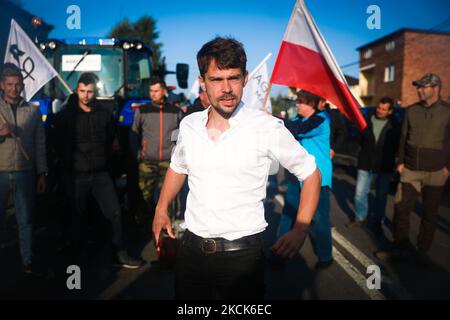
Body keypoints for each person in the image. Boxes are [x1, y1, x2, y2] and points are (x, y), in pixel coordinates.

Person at [152, 37, 321, 299]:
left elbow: (310, 173)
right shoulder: (189, 125)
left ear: (245, 78)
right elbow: (178, 167)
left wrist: (300, 229)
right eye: (217, 80)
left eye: (233, 78)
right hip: (191, 253)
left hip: (242, 258)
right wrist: (161, 208)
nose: (227, 88)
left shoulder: (267, 127)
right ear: (202, 81)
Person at [53, 72, 143, 269]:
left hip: (100, 174)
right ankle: (75, 259)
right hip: (75, 175)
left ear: (95, 92)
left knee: (115, 213)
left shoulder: (105, 115)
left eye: (89, 92)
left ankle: (118, 253)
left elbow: (114, 143)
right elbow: (56, 145)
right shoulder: (64, 117)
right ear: (77, 90)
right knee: (76, 217)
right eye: (82, 91)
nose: (85, 95)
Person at [375, 73, 449, 265]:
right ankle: (400, 246)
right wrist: (400, 161)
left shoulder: (447, 111)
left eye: (423, 87)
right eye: (418, 87)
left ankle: (422, 252)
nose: (419, 90)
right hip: (410, 170)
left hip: (436, 172)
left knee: (429, 214)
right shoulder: (411, 110)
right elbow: (403, 137)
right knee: (401, 208)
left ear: (435, 88)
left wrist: (448, 167)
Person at [276, 90, 333, 269]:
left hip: (319, 179)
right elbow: (285, 129)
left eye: (302, 101)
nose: (297, 104)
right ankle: (278, 253)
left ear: (313, 103)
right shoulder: (299, 119)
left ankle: (325, 256)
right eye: (298, 101)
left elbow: (296, 130)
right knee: (288, 215)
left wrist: (273, 119)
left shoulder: (321, 119)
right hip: (298, 176)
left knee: (319, 219)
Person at [0, 63, 47, 273]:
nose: (13, 89)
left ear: (22, 85)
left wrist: (42, 173)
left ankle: (27, 260)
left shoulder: (33, 111)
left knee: (25, 220)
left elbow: (40, 144)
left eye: (17, 84)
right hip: (0, 172)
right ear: (2, 85)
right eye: (9, 84)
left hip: (25, 173)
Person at [129, 78, 182, 223]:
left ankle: (167, 227)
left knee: (167, 197)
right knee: (144, 196)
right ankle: (145, 228)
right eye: (151, 91)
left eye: (156, 91)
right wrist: (138, 154)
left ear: (164, 91)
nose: (153, 94)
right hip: (147, 162)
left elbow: (181, 136)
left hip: (168, 163)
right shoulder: (142, 110)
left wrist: (177, 155)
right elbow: (134, 133)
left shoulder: (175, 111)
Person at [347, 97, 400, 234]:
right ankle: (360, 218)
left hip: (384, 166)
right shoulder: (366, 120)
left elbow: (398, 146)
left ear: (390, 111)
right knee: (359, 194)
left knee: (381, 196)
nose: (380, 111)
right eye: (378, 108)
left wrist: (398, 161)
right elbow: (359, 137)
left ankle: (378, 221)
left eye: (383, 109)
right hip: (365, 163)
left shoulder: (395, 125)